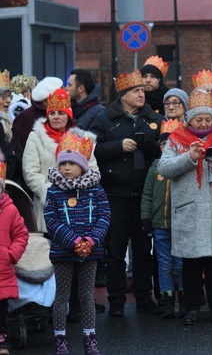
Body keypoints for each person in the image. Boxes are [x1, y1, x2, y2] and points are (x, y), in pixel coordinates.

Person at [157, 89, 212, 325]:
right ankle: (192, 308)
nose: (204, 123)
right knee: (191, 265)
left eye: (207, 119)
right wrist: (189, 158)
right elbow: (163, 169)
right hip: (188, 211)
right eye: (199, 119)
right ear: (189, 119)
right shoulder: (176, 139)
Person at [89, 70, 162, 317]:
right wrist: (117, 147)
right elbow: (91, 150)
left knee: (143, 251)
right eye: (136, 91)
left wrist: (150, 146)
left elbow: (163, 152)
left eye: (142, 90)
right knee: (116, 251)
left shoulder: (154, 119)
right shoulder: (105, 119)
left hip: (144, 195)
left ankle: (144, 298)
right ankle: (117, 302)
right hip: (114, 194)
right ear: (122, 96)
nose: (142, 94)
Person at [44, 130, 109, 355]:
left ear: (83, 165)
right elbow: (51, 220)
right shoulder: (53, 192)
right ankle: (60, 339)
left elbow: (104, 216)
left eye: (72, 163)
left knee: (86, 295)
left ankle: (90, 337)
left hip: (90, 251)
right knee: (62, 295)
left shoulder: (96, 190)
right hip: (63, 251)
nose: (66, 168)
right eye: (63, 163)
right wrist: (73, 241)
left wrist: (90, 240)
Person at [23, 89, 99, 233]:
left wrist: (78, 189)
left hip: (79, 205)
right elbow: (30, 172)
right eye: (52, 113)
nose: (56, 117)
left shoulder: (82, 139)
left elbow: (92, 170)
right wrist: (49, 192)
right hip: (49, 206)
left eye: (61, 113)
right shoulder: (35, 138)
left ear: (69, 116)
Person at [141, 119, 183, 319]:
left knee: (181, 264)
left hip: (181, 225)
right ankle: (166, 300)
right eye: (163, 144)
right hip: (160, 225)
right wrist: (146, 218)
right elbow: (147, 196)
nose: (166, 147)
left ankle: (184, 299)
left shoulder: (183, 167)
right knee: (164, 264)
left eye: (171, 144)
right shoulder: (154, 169)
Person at [0, 157, 29, 355]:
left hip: (2, 269)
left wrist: (12, 254)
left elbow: (21, 234)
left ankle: (3, 339)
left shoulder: (9, 209)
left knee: (1, 310)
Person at [12, 76, 63, 154]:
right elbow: (20, 149)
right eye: (60, 97)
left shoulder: (65, 115)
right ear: (46, 100)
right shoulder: (26, 117)